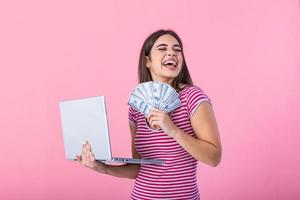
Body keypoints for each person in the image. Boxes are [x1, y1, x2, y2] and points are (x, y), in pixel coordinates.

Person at [75, 29, 222, 199]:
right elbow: (140, 167)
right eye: (162, 48)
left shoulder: (192, 97)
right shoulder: (136, 107)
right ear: (147, 61)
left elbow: (214, 157)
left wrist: (173, 130)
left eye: (177, 49)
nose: (171, 53)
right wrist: (103, 167)